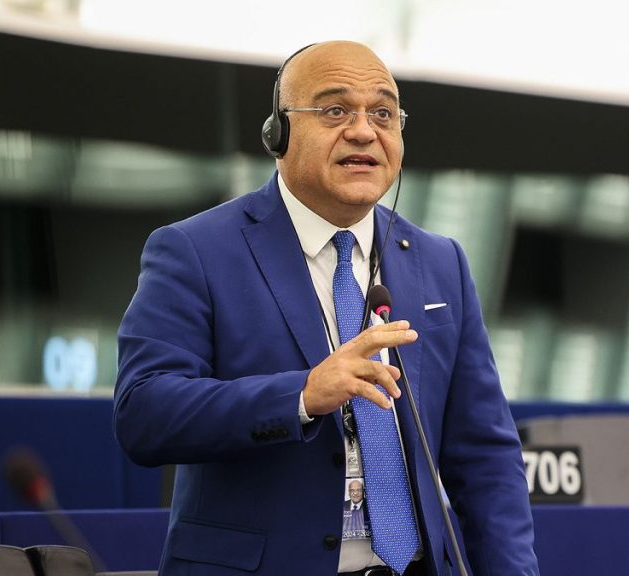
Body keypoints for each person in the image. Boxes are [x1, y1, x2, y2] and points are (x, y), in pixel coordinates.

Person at [114, 41, 539, 576]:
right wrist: (303, 394)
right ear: (280, 133)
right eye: (335, 110)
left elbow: (485, 458)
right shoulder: (195, 251)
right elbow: (145, 413)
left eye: (383, 113)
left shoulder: (440, 261)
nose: (364, 131)